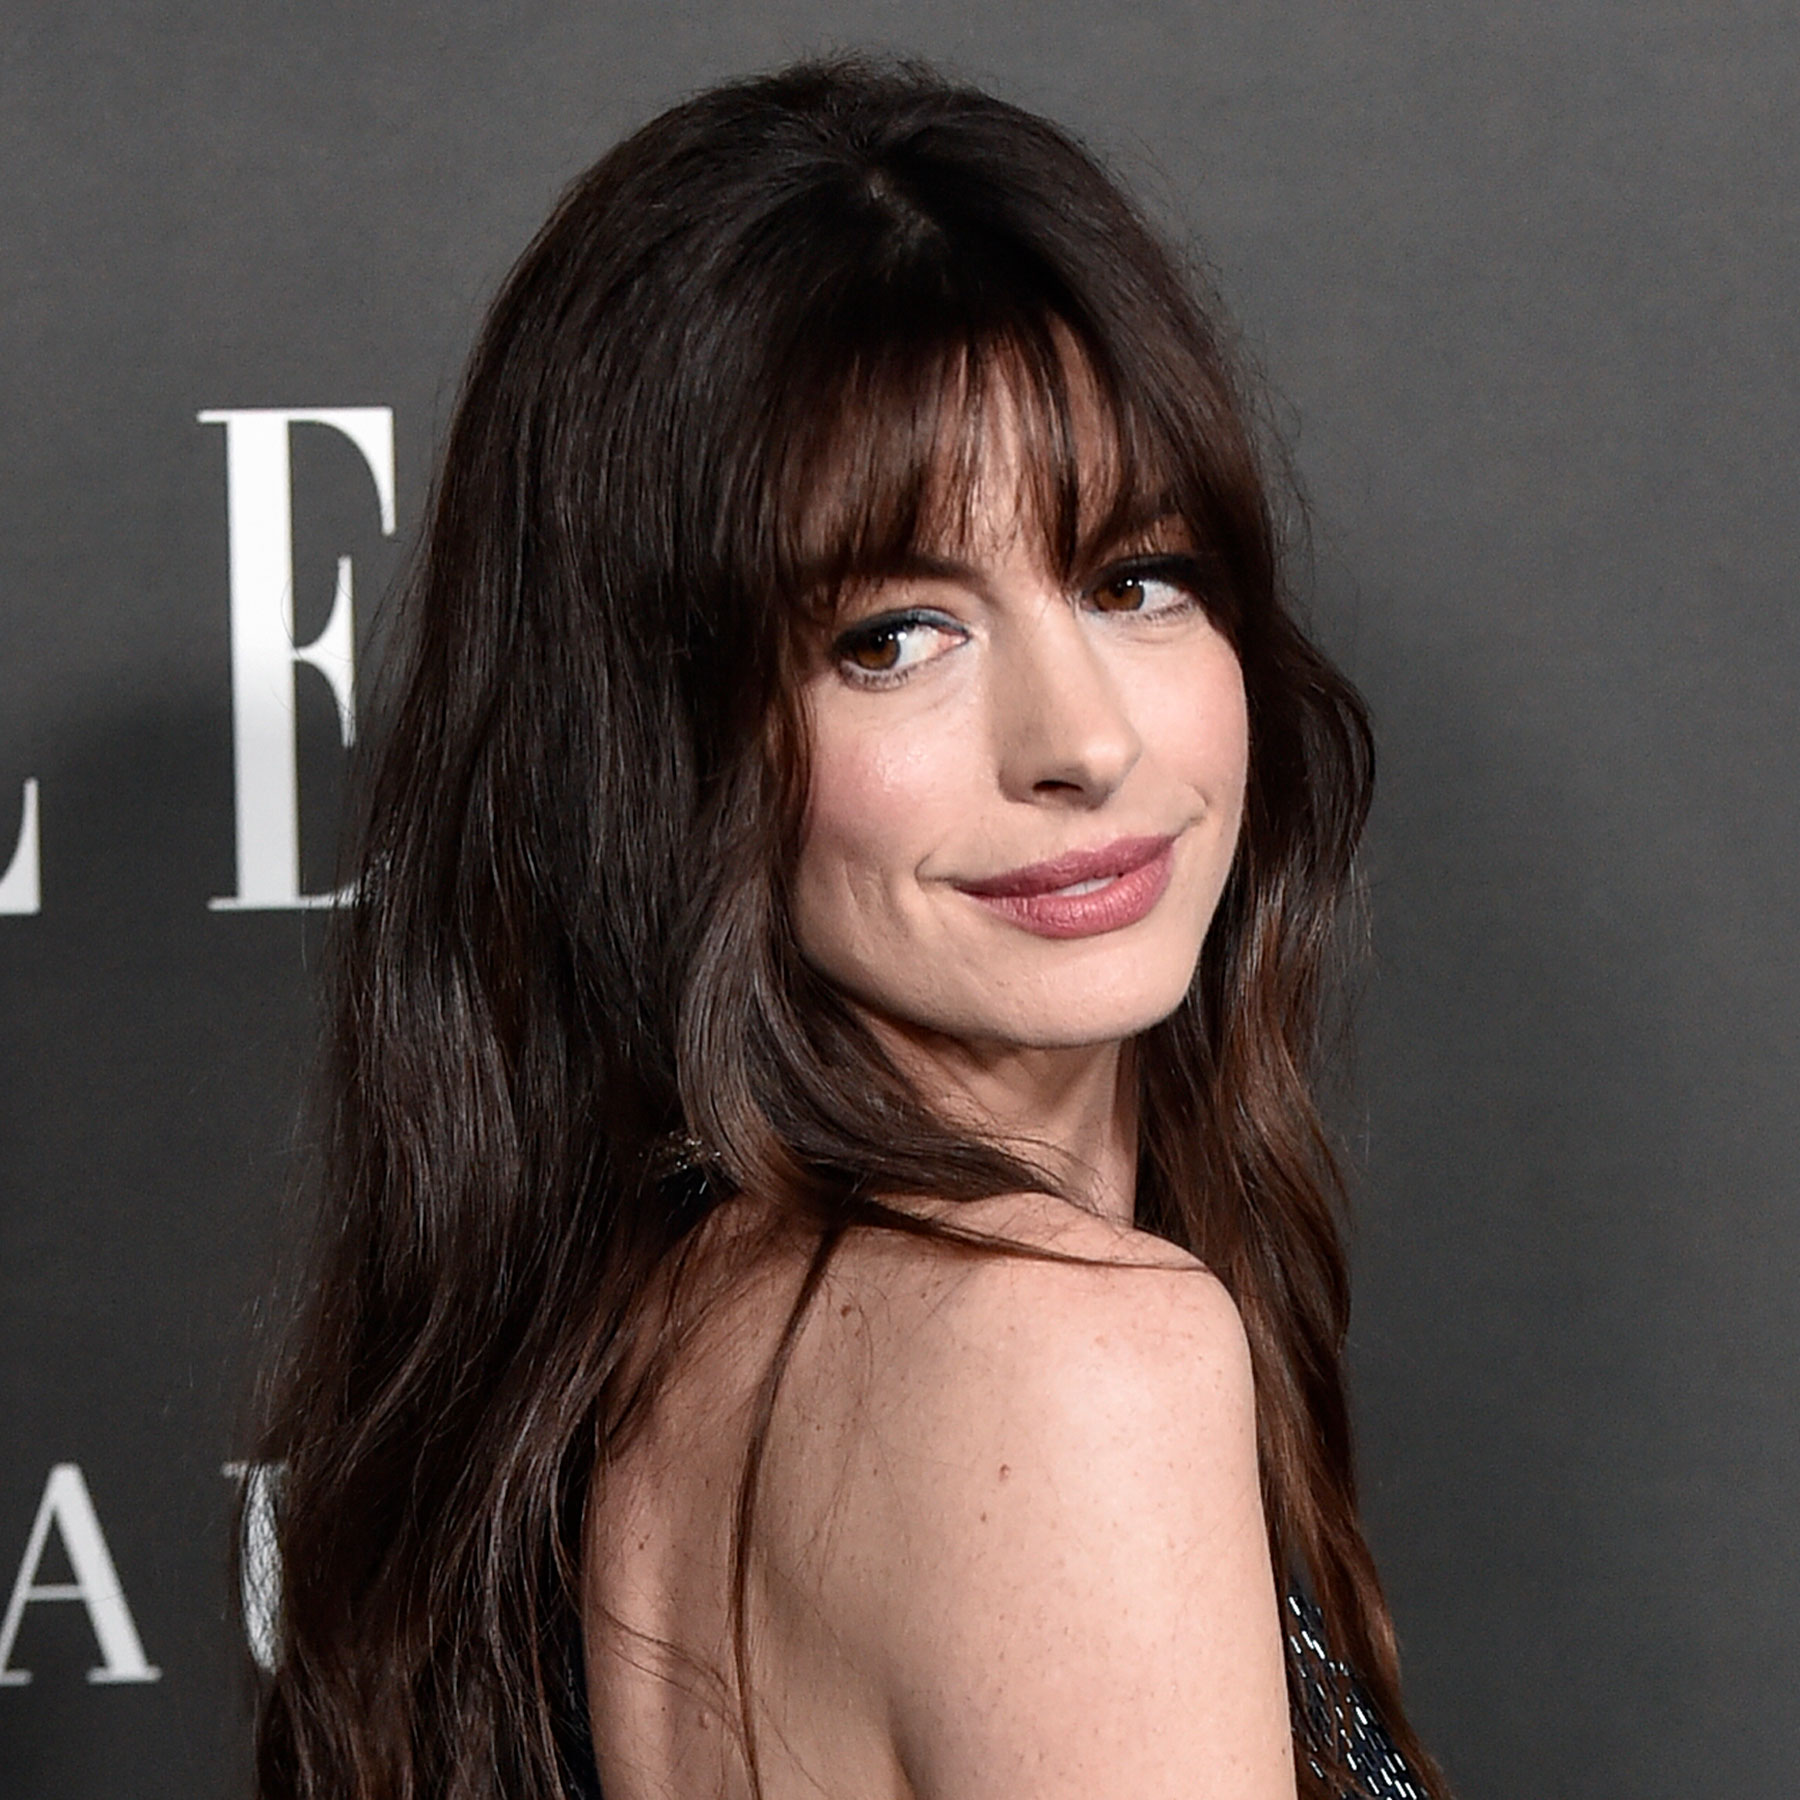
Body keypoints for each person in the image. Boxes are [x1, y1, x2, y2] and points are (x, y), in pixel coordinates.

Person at [246, 56, 1449, 1800]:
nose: (1083, 743)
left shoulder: (650, 1338)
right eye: (891, 634)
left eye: (1135, 578)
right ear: (657, 743)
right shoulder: (1069, 1361)